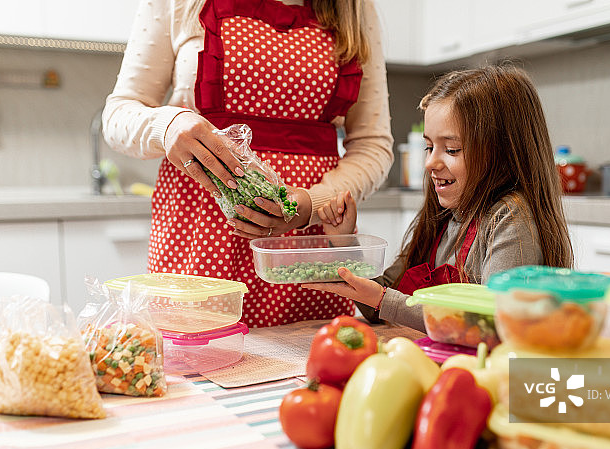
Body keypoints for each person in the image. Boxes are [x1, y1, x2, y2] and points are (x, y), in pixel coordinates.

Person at [102, 0, 393, 327]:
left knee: (312, 367)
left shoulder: (353, 7)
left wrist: (311, 204)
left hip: (306, 241)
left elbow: (373, 144)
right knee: (195, 361)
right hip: (198, 236)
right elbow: (118, 114)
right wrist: (167, 126)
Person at [305, 64, 573, 332]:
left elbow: (495, 324)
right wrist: (343, 241)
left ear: (502, 152)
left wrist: (384, 300)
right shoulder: (443, 216)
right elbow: (378, 304)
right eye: (429, 146)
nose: (430, 163)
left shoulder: (509, 219)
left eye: (452, 149)